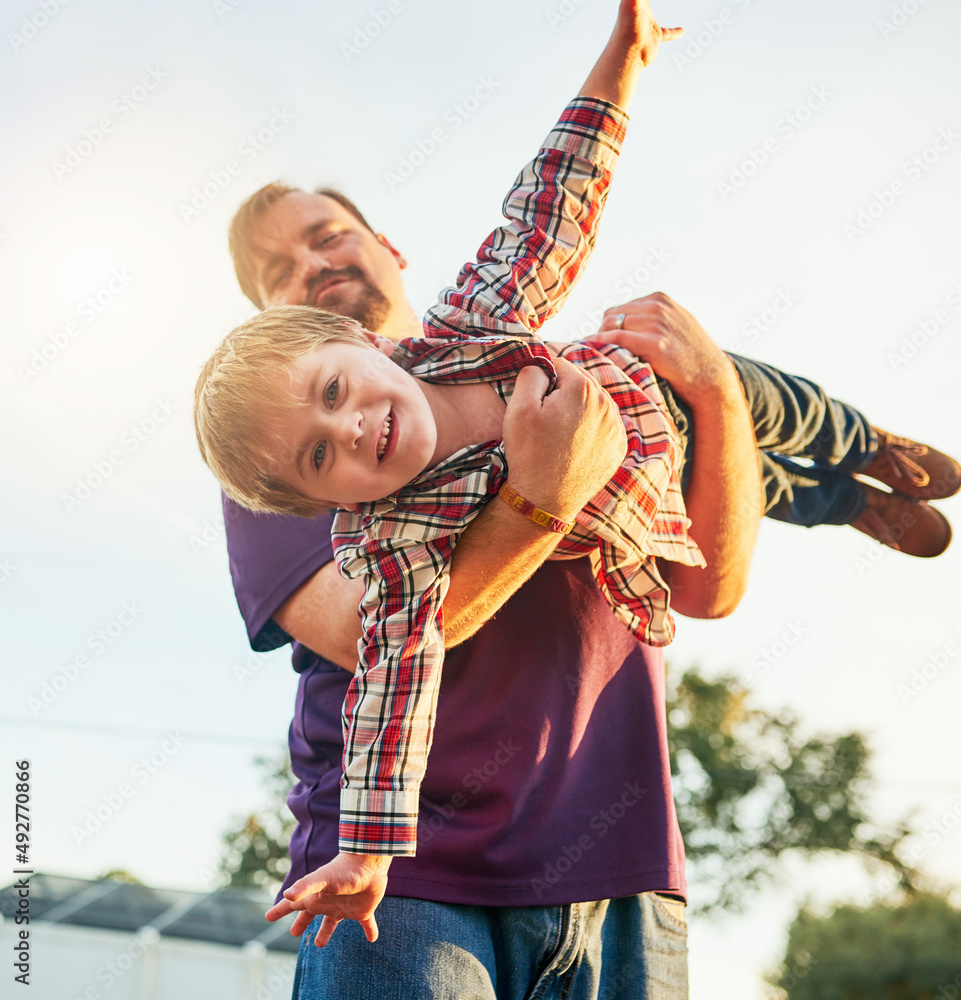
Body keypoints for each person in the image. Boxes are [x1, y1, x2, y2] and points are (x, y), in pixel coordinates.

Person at [216, 3, 765, 996]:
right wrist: (371, 853)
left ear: (360, 330)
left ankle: (823, 440)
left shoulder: (479, 320)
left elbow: (551, 200)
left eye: (325, 236)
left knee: (756, 387)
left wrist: (622, 63)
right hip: (425, 893)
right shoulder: (348, 511)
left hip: (623, 874)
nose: (347, 432)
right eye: (278, 272)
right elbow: (394, 668)